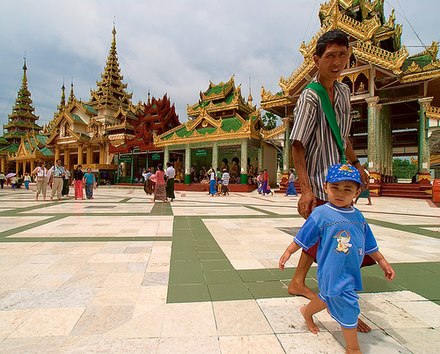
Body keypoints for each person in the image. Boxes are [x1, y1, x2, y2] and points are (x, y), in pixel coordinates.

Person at [288, 29, 372, 333]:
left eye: (342, 55)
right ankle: (341, 304)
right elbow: (297, 143)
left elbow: (344, 135)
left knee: (327, 240)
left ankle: (300, 282)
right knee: (335, 244)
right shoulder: (311, 96)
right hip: (321, 181)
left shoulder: (346, 93)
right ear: (317, 60)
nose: (337, 62)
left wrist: (356, 164)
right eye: (330, 56)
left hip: (341, 179)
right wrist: (306, 189)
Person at [279, 164, 395, 353]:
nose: (340, 194)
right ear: (325, 187)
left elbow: (369, 243)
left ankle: (306, 312)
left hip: (350, 271)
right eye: (335, 188)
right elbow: (304, 236)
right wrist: (288, 252)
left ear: (357, 192)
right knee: (349, 305)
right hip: (331, 272)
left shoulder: (358, 217)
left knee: (326, 297)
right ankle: (353, 348)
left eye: (347, 189)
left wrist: (382, 262)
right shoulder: (321, 213)